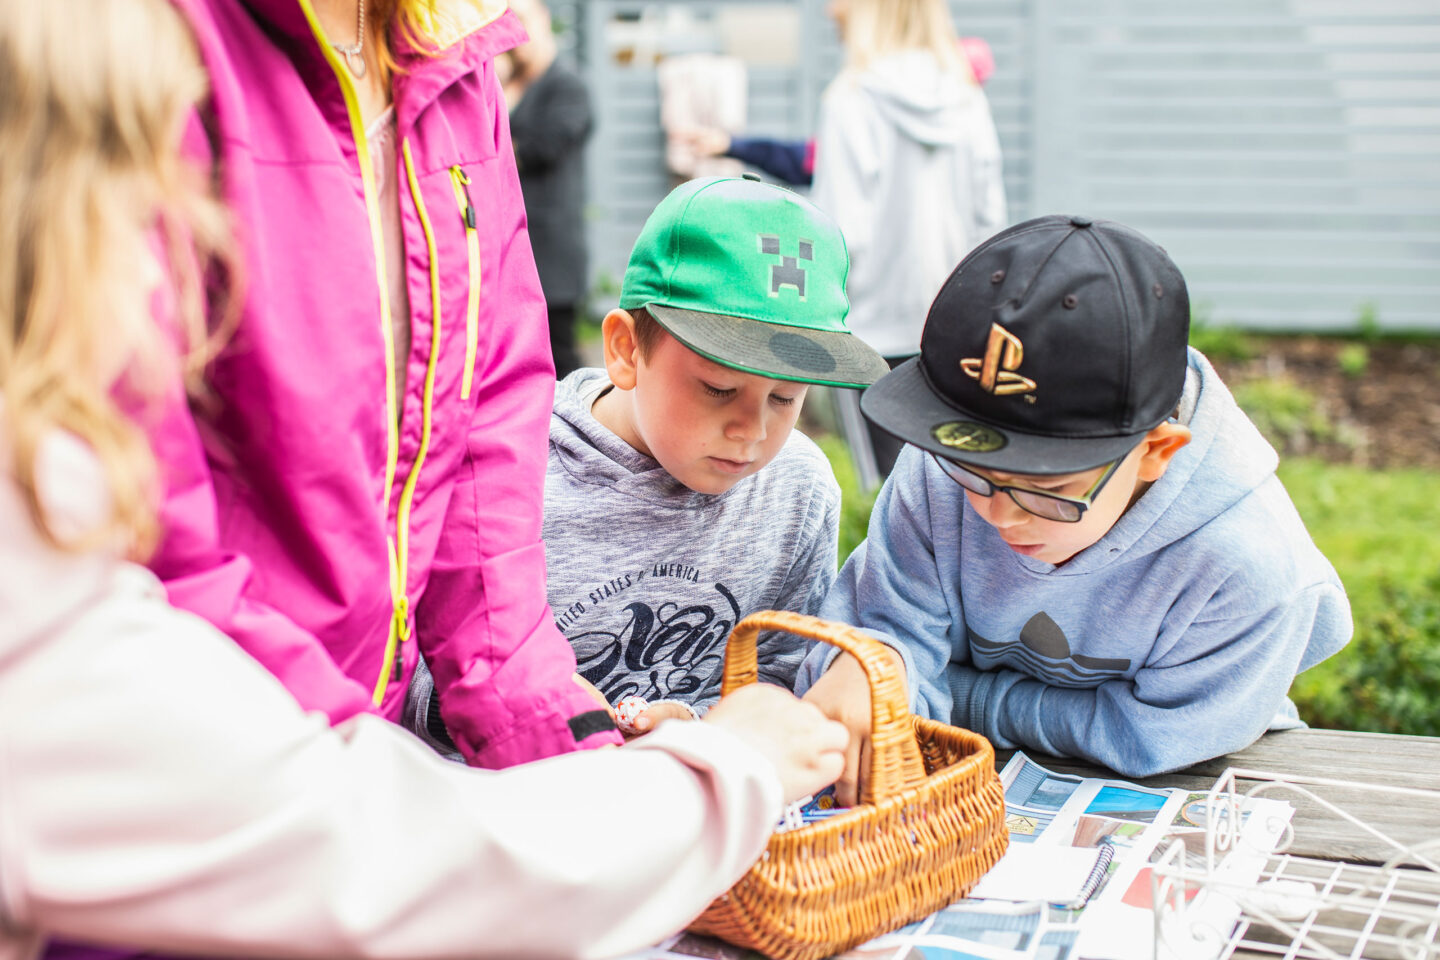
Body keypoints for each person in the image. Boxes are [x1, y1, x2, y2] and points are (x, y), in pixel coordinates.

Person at [0, 3, 848, 955]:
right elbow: (319, 827)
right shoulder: (137, 46)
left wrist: (575, 752)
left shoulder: (453, 60)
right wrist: (704, 785)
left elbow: (484, 434)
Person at [126, 0, 621, 775]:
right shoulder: (146, 41)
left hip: (356, 751)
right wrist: (361, 776)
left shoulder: (455, 51)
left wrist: (561, 744)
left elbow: (483, 412)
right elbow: (138, 512)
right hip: (189, 753)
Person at [800, 215, 1352, 795]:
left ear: (1156, 452)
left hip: (1205, 788)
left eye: (1047, 490)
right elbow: (886, 633)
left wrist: (956, 694)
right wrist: (870, 668)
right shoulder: (940, 464)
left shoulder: (1247, 565)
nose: (1000, 514)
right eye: (972, 472)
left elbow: (1159, 738)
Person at [407, 175, 890, 744]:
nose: (752, 429)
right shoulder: (510, 472)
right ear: (625, 350)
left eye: (786, 398)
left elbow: (784, 674)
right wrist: (533, 706)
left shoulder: (798, 489)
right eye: (717, 388)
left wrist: (693, 728)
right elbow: (415, 689)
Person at [812, 0, 1008, 489]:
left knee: (884, 494)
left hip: (868, 333)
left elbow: (840, 230)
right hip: (954, 329)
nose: (828, 10)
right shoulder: (966, 93)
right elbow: (991, 220)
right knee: (950, 489)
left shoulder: (852, 98)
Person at [504, 0, 594, 378]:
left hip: (552, 254)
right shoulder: (508, 83)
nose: (515, 32)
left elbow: (545, 146)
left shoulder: (566, 86)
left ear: (544, 20)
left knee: (560, 358)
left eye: (522, 19)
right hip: (514, 247)